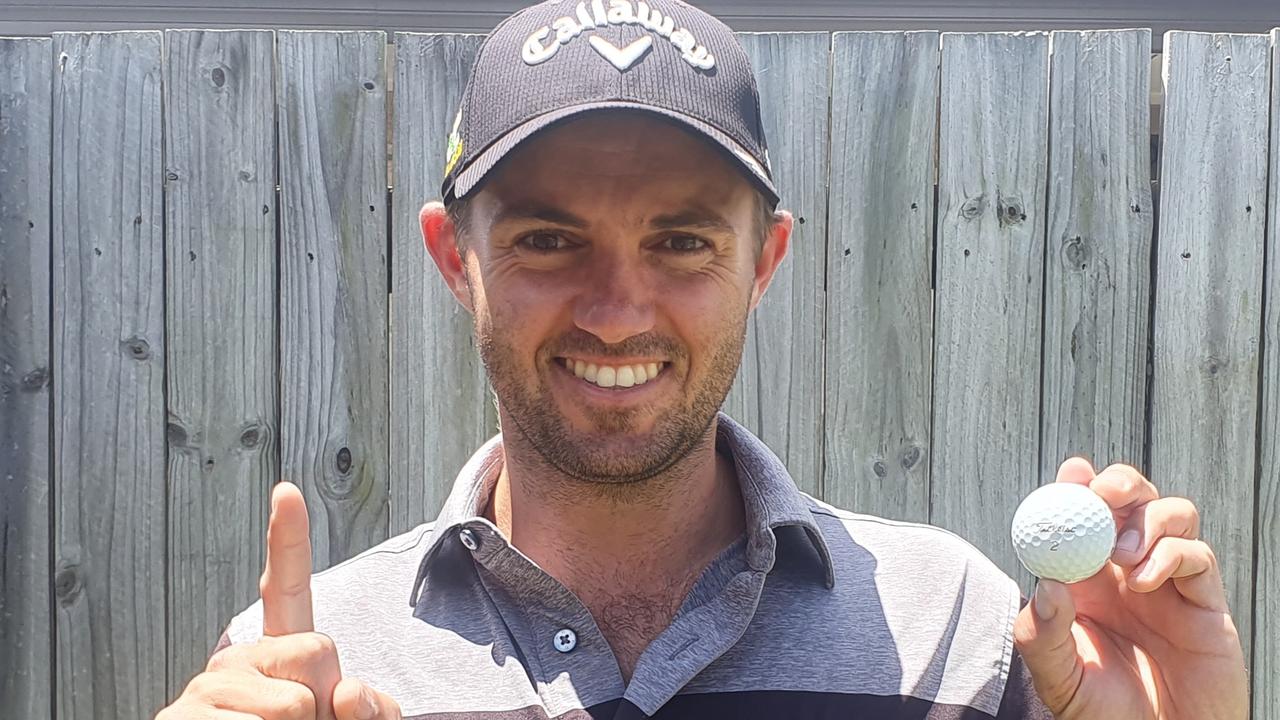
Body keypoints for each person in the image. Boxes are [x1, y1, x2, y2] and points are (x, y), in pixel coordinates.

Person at [156, 1, 1249, 718]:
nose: (618, 313)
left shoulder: (959, 631)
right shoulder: (298, 666)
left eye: (681, 241)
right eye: (547, 238)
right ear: (456, 259)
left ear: (764, 261)